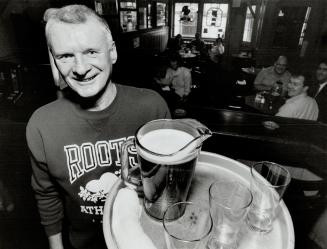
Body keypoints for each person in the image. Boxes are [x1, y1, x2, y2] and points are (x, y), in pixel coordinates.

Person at [26, 5, 170, 249]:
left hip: (147, 238)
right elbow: (47, 195)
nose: (80, 69)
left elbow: (170, 183)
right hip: (84, 243)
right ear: (54, 61)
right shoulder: (41, 125)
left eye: (91, 51)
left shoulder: (152, 108)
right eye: (65, 56)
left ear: (112, 52)